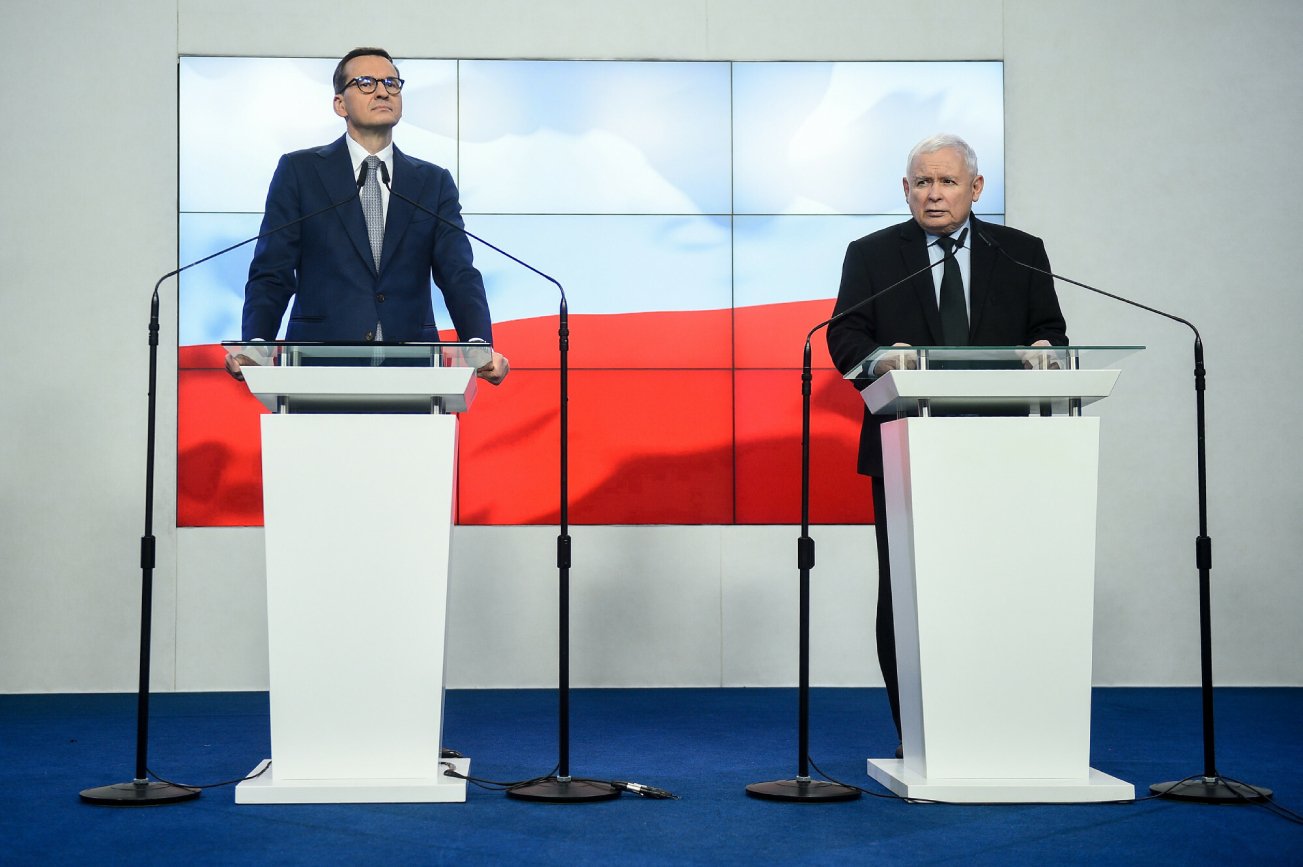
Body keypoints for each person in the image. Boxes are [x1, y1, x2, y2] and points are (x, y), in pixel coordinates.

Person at [826, 133, 1068, 750]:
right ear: (905, 190)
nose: (934, 195)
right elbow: (846, 337)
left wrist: (1045, 351)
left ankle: (998, 727)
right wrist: (881, 362)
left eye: (947, 182)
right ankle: (920, 736)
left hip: (1003, 451)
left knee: (997, 585)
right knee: (905, 591)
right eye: (922, 183)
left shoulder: (1019, 252)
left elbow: (1051, 332)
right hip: (906, 447)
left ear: (976, 188)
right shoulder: (873, 254)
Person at [227, 47, 508, 384]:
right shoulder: (300, 172)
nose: (382, 90)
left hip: (413, 374)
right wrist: (257, 344)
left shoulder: (432, 182)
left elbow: (458, 273)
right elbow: (273, 271)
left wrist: (477, 344)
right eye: (365, 82)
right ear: (339, 104)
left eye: (392, 82)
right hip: (318, 370)